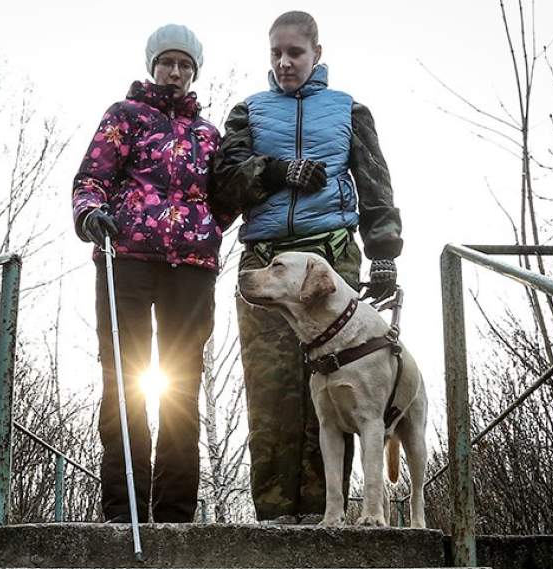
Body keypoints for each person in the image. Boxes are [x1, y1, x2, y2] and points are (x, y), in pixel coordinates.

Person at [211, 10, 403, 524]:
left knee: (337, 387)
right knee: (271, 391)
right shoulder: (246, 112)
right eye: (275, 52)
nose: (284, 61)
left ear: (317, 53)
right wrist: (275, 171)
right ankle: (275, 517)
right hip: (265, 262)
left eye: (294, 52)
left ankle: (329, 514)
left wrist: (384, 255)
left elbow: (375, 184)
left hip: (332, 262)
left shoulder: (349, 111)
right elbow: (223, 184)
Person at [71, 24, 230, 523]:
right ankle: (124, 510)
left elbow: (223, 197)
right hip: (128, 258)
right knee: (124, 381)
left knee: (182, 385)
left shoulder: (209, 134)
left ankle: (177, 512)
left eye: (186, 65)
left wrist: (203, 227)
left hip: (191, 268)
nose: (177, 72)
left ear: (194, 71)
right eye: (168, 62)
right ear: (153, 65)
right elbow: (91, 177)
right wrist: (91, 213)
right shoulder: (125, 116)